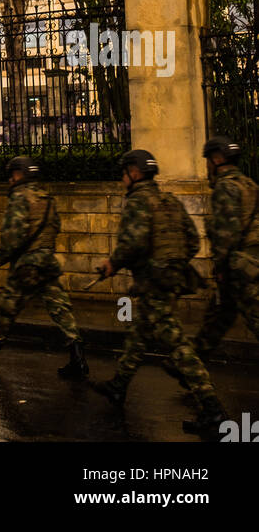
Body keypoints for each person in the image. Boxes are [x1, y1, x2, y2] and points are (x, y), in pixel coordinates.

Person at [91, 148, 227, 436]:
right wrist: (173, 262)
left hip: (154, 281)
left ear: (135, 173)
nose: (122, 178)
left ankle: (213, 410)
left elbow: (133, 243)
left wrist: (112, 263)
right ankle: (119, 385)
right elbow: (192, 240)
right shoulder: (169, 200)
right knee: (141, 333)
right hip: (173, 278)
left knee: (177, 345)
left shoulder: (138, 201)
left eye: (124, 172)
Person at [0, 156, 88, 378]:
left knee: (8, 307)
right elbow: (56, 227)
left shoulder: (19, 198)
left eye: (12, 174)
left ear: (19, 174)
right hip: (47, 262)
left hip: (27, 264)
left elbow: (14, 235)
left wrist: (0, 255)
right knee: (60, 308)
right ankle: (78, 358)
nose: (10, 179)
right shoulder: (47, 199)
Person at [192, 135, 259, 356]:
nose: (207, 166)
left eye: (208, 160)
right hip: (250, 261)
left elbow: (226, 233)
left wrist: (220, 267)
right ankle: (190, 365)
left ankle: (190, 364)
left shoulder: (226, 187)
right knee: (219, 314)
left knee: (251, 315)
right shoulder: (249, 184)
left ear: (217, 159)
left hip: (241, 266)